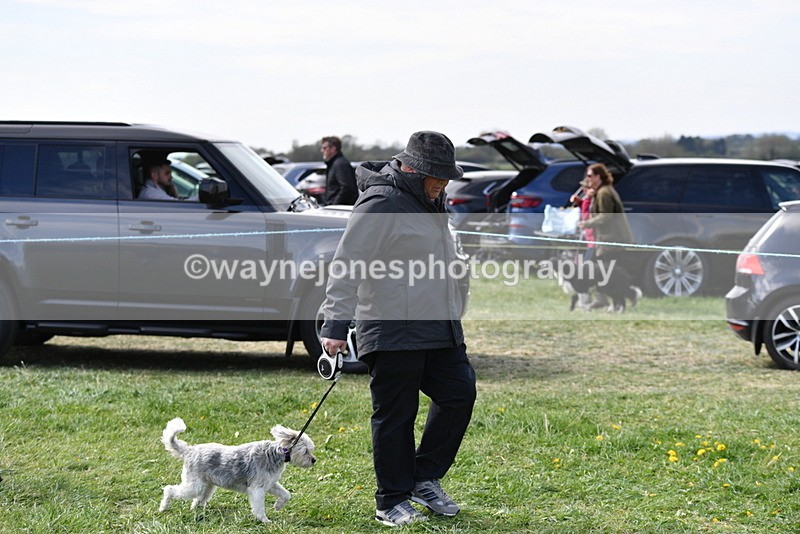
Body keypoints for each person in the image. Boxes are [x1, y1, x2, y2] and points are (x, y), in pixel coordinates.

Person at [320, 131, 476, 527]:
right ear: (412, 169)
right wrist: (335, 323)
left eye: (445, 178)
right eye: (436, 177)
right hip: (393, 329)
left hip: (439, 326)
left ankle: (423, 477)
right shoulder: (382, 203)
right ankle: (390, 499)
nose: (442, 184)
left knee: (459, 393)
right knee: (396, 416)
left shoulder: (431, 199)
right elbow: (348, 262)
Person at [578, 162, 639, 310]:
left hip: (612, 240)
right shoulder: (602, 191)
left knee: (610, 275)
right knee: (606, 273)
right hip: (608, 240)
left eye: (590, 176)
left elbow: (606, 216)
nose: (588, 178)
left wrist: (587, 224)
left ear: (599, 176)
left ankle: (626, 297)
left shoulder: (604, 193)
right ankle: (614, 301)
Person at [320, 136, 358, 205]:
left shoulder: (340, 164)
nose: (322, 151)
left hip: (340, 210)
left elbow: (347, 187)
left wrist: (334, 205)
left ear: (333, 149)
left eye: (325, 148)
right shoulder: (334, 164)